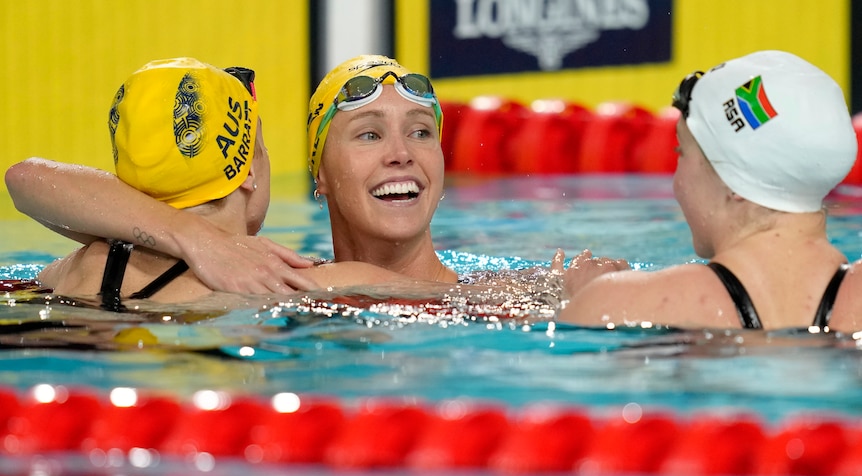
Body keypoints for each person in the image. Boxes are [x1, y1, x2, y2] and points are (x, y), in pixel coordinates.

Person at [8, 55, 625, 301]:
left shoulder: (79, 266)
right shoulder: (293, 280)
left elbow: (25, 178)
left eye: (421, 131)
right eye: (367, 133)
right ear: (317, 178)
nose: (401, 154)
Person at [5, 57, 414, 308]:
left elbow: (22, 177)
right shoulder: (304, 282)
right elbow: (466, 303)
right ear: (248, 168)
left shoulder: (67, 272)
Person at [559, 50, 862, 332]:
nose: (676, 182)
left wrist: (581, 301)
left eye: (681, 152)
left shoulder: (623, 303)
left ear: (733, 177)